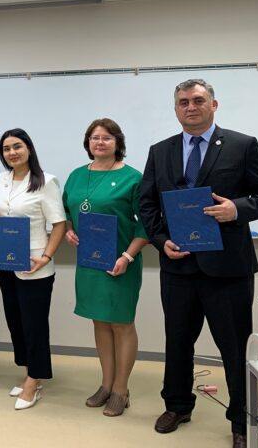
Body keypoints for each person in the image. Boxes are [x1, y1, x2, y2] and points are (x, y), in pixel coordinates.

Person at [139, 79, 258, 448]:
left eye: (198, 100)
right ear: (176, 109)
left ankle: (241, 420)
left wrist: (237, 208)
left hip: (228, 269)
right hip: (178, 266)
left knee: (234, 348)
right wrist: (161, 241)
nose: (191, 107)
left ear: (213, 105)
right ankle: (177, 406)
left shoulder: (242, 145)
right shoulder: (160, 151)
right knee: (177, 342)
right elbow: (147, 204)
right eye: (183, 102)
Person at [62, 118, 148, 417]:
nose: (100, 142)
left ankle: (121, 390)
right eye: (95, 138)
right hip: (90, 263)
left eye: (107, 138)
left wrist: (127, 257)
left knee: (121, 324)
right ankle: (106, 384)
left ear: (117, 143)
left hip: (120, 263)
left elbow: (147, 225)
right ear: (88, 143)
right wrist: (69, 230)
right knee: (99, 322)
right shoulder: (76, 176)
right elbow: (67, 211)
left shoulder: (133, 178)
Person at [0, 129, 66, 410]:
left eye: (17, 146)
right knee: (16, 321)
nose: (12, 153)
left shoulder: (46, 182)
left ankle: (34, 380)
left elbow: (59, 224)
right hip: (7, 261)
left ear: (29, 148)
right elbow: (7, 210)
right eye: (6, 148)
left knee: (34, 324)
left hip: (35, 265)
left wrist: (46, 256)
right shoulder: (2, 179)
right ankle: (30, 370)